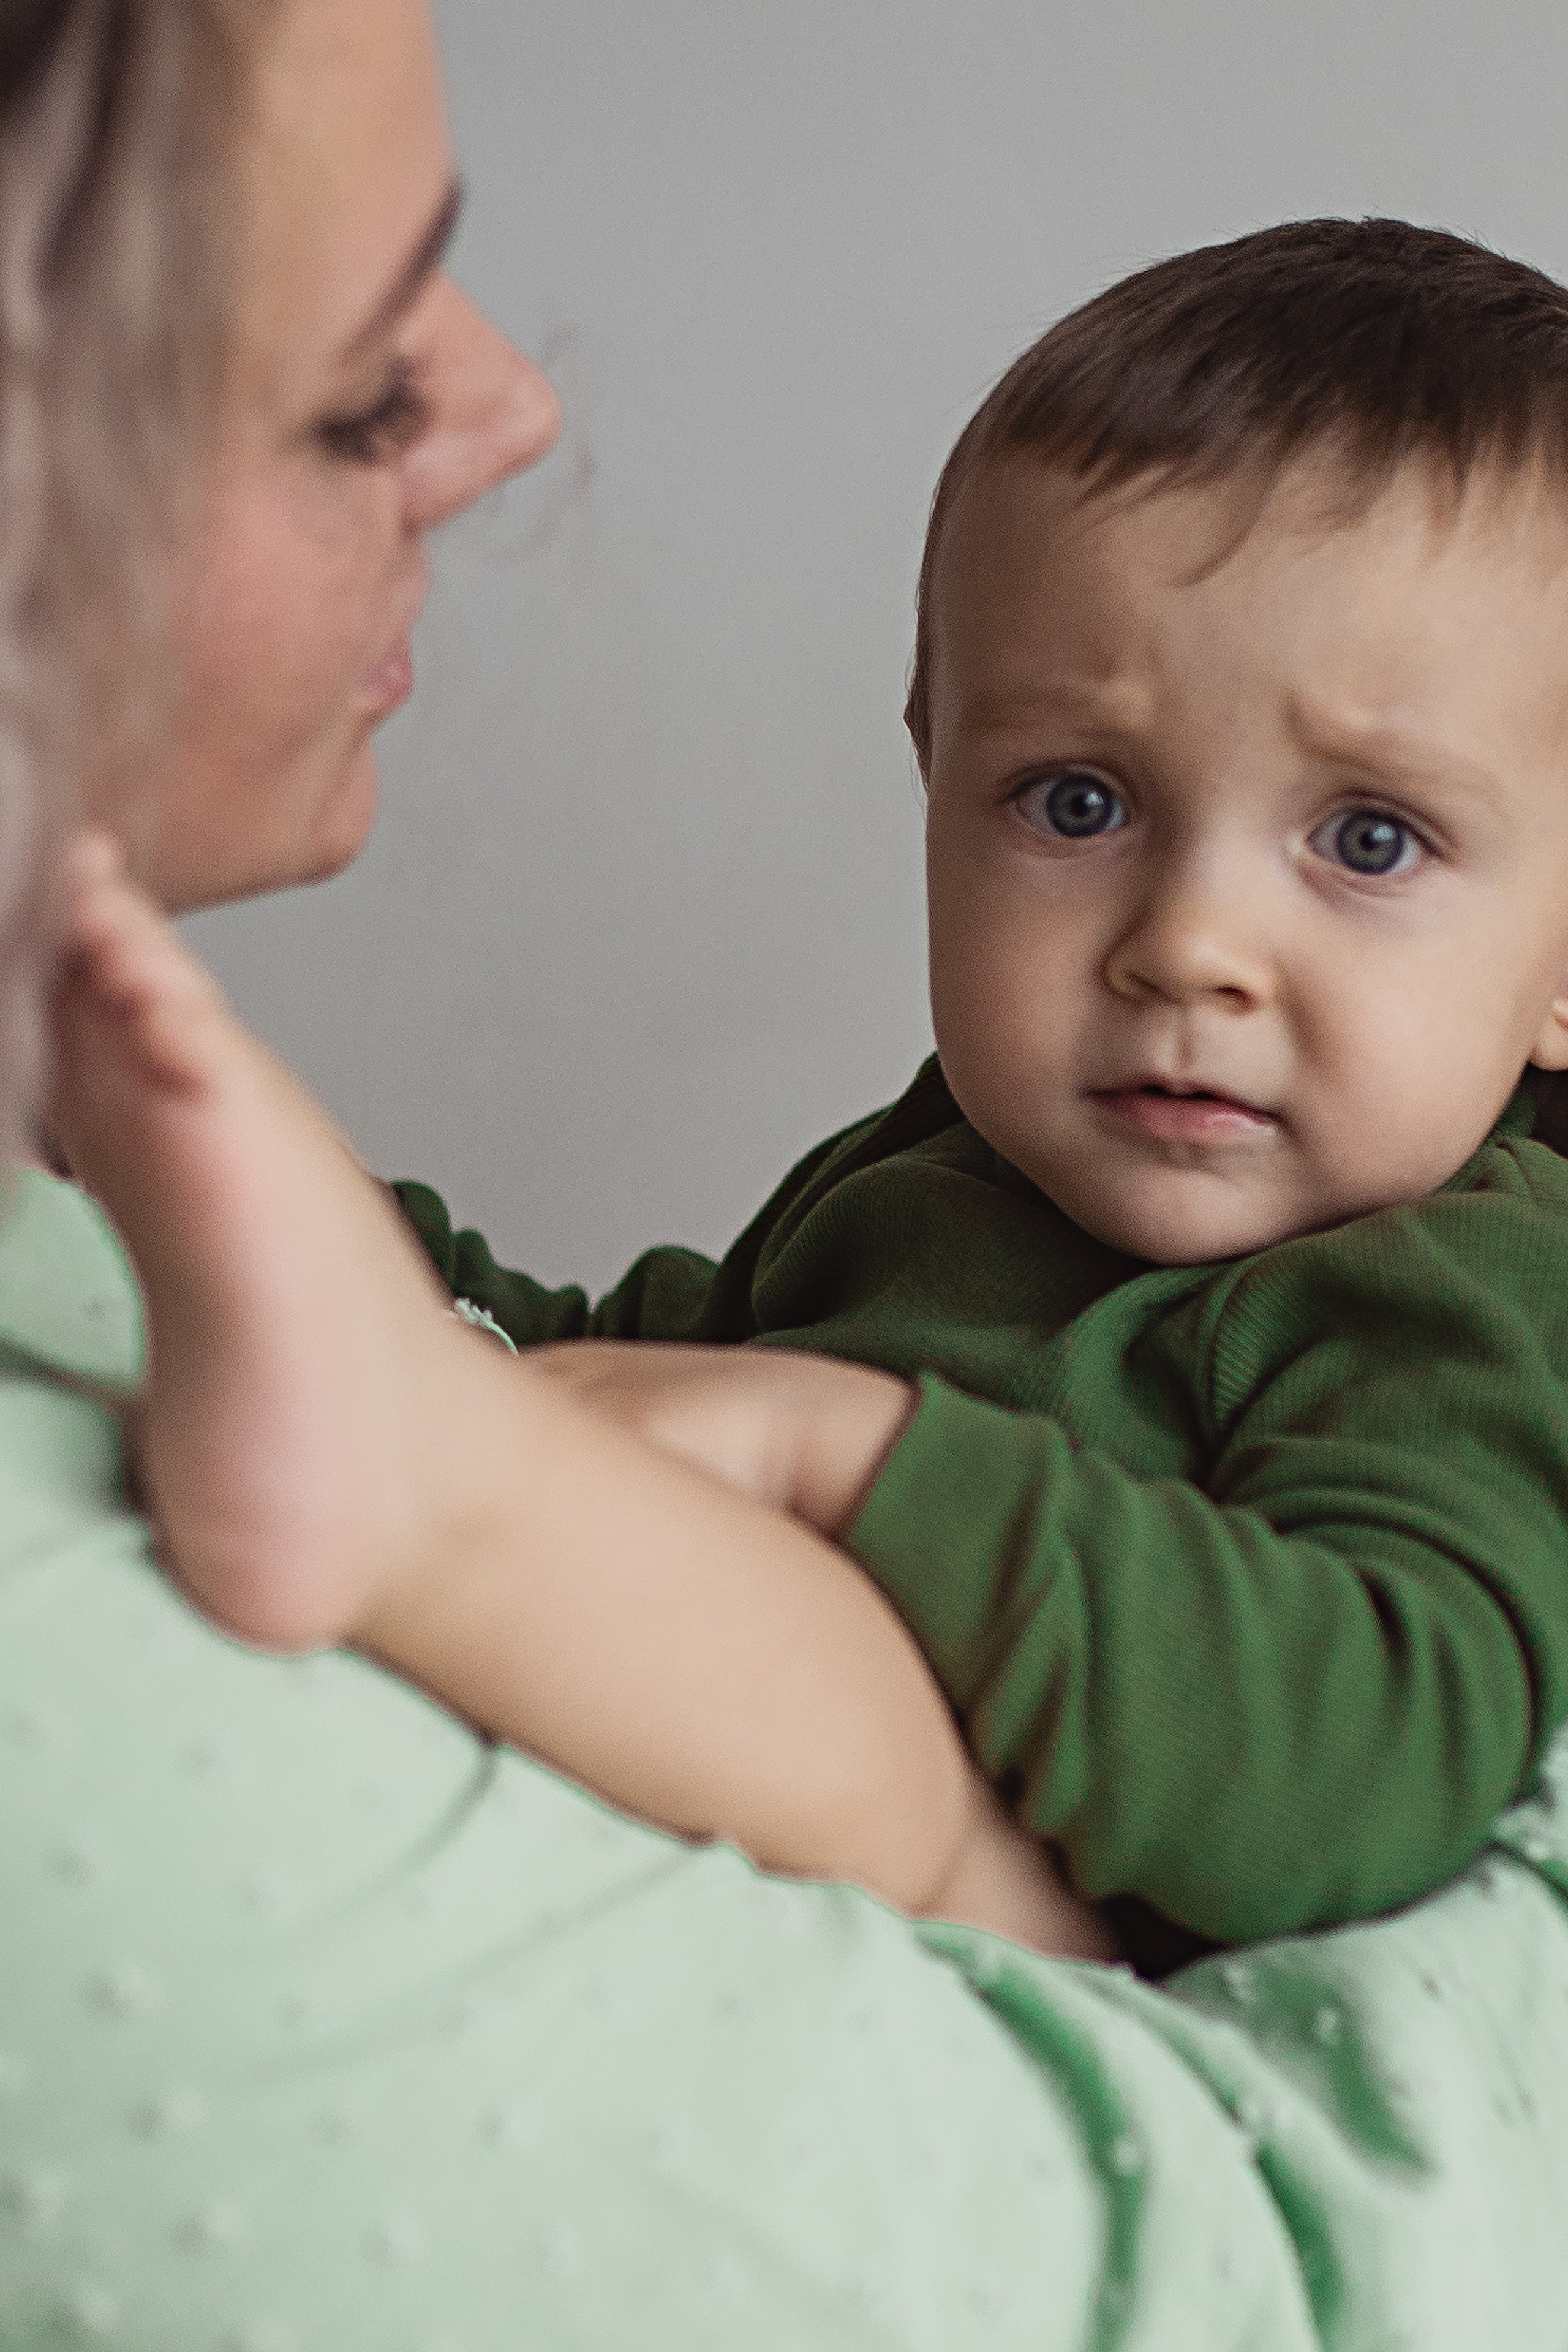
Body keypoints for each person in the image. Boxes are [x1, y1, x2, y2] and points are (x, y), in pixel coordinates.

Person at [7, 4, 1568, 2347]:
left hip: (1048, 1956)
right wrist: (408, 1273)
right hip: (753, 1914)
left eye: (1368, 839)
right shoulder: (961, 1175)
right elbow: (696, 1357)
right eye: (1074, 801)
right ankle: (378, 1397)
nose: (1188, 947)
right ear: (927, 768)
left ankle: (413, 1482)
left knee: (849, 1709)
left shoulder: (1457, 1289)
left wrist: (856, 1463)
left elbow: (1361, 1753)